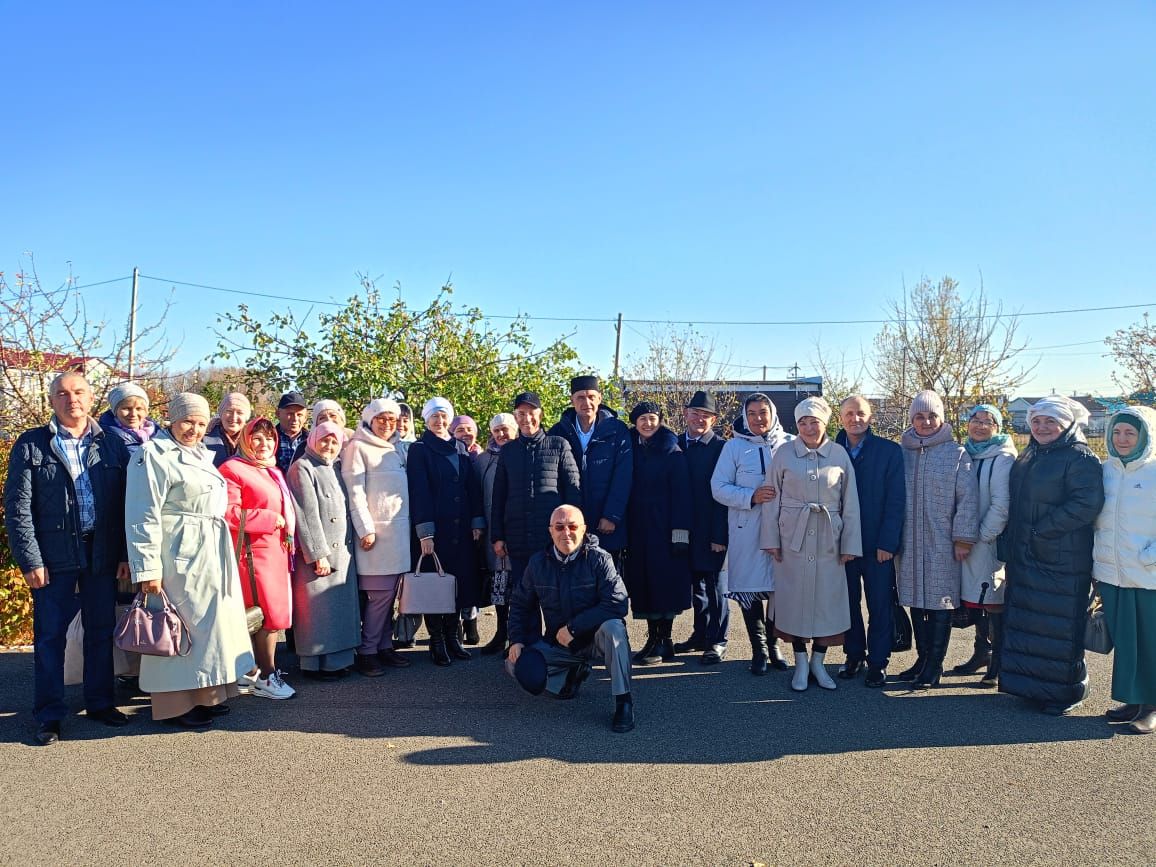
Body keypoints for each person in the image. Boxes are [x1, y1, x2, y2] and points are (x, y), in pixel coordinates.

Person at [4, 372, 131, 745]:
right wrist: (30, 560)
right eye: (62, 393)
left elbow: (126, 505)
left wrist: (124, 553)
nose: (71, 399)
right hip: (53, 556)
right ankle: (49, 715)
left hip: (102, 553)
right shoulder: (32, 445)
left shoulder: (110, 444)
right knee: (49, 637)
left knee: (100, 631)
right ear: (52, 400)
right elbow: (18, 509)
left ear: (91, 399)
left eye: (78, 392)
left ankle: (100, 702)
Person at [124, 393, 255, 728]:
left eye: (199, 423)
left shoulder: (200, 455)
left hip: (209, 551)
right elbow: (142, 513)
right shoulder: (153, 454)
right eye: (187, 422)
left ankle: (206, 695)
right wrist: (148, 567)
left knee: (208, 629)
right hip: (177, 552)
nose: (193, 430)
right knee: (180, 626)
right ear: (171, 419)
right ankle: (175, 705)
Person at [1001, 396, 1104, 715]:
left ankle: (1063, 692)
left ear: (1067, 423)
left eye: (1050, 421)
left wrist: (1041, 530)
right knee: (1030, 624)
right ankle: (1030, 688)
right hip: (1026, 555)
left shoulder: (1080, 457)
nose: (1042, 427)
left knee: (1058, 627)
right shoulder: (1029, 454)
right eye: (1037, 421)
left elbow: (1086, 503)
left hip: (1062, 559)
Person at [761, 397, 862, 691]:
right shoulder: (783, 454)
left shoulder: (839, 454)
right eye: (803, 422)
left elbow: (850, 503)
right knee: (794, 601)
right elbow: (771, 498)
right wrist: (771, 539)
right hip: (792, 538)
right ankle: (800, 662)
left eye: (814, 421)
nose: (808, 427)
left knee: (826, 603)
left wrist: (849, 545)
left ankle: (819, 661)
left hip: (829, 540)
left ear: (825, 423)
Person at [507, 505, 635, 733]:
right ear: (550, 531)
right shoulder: (538, 564)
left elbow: (618, 603)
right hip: (561, 644)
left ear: (584, 529)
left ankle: (623, 702)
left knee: (615, 629)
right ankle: (571, 676)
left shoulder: (600, 559)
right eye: (559, 527)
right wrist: (516, 639)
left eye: (572, 526)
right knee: (515, 664)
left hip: (596, 640)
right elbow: (519, 603)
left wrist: (574, 628)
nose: (566, 532)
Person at [894, 390, 979, 689]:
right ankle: (921, 658)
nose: (926, 421)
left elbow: (968, 499)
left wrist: (963, 538)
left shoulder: (956, 453)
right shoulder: (902, 452)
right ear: (911, 419)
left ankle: (935, 665)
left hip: (942, 540)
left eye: (932, 416)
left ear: (941, 418)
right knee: (916, 600)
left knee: (941, 602)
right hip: (908, 540)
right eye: (919, 416)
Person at [711, 393, 793, 675]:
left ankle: (775, 647)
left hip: (785, 529)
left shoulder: (790, 443)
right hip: (748, 529)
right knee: (751, 592)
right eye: (753, 413)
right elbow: (718, 487)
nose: (759, 418)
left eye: (763, 412)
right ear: (746, 417)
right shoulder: (734, 447)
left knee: (778, 592)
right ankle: (758, 651)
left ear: (772, 414)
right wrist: (751, 496)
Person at [218, 418, 297, 699]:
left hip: (274, 551)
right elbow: (228, 513)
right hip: (252, 554)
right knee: (266, 616)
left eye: (269, 438)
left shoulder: (271, 470)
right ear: (245, 440)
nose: (264, 444)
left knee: (272, 616)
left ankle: (253, 672)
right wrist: (269, 519)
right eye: (258, 438)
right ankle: (266, 675)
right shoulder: (232, 469)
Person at [491, 391, 582, 626]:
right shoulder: (508, 451)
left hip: (552, 537)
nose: (526, 419)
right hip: (518, 536)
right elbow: (498, 496)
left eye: (531, 413)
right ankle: (526, 648)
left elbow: (573, 491)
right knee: (524, 596)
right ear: (515, 417)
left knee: (556, 596)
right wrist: (497, 536)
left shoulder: (559, 445)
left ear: (540, 415)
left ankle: (558, 647)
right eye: (521, 414)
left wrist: (575, 532)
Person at [407, 396, 486, 666]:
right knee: (434, 585)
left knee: (457, 584)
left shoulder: (461, 448)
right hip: (436, 529)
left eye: (444, 416)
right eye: (434, 417)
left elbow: (472, 488)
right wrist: (425, 533)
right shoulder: (419, 449)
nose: (439, 421)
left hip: (462, 528)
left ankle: (454, 638)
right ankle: (437, 641)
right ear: (426, 420)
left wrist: (477, 521)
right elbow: (420, 491)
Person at [834, 395, 905, 687]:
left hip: (878, 546)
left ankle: (878, 662)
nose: (855, 419)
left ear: (871, 417)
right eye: (849, 414)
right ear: (840, 418)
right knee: (847, 604)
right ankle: (853, 656)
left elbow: (896, 501)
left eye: (861, 413)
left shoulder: (889, 451)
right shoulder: (829, 451)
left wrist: (888, 543)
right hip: (842, 546)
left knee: (880, 605)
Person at [1093, 406, 1156, 734]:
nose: (1122, 439)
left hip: (1147, 575)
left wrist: (1150, 558)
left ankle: (1151, 707)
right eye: (1117, 432)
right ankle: (1132, 700)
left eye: (1130, 432)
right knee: (1126, 642)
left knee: (1150, 641)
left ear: (1146, 435)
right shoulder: (1105, 470)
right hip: (1111, 572)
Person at [342, 398, 413, 677]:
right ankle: (368, 651)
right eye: (381, 419)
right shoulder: (358, 448)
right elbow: (355, 492)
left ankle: (384, 645)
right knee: (379, 596)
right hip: (376, 537)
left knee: (389, 594)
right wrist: (365, 528)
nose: (387, 424)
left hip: (397, 534)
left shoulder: (396, 448)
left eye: (392, 420)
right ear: (370, 419)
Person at [287, 421, 361, 680]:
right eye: (324, 440)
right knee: (319, 614)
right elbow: (306, 515)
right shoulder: (302, 468)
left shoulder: (336, 467)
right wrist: (317, 553)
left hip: (342, 551)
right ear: (313, 439)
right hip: (320, 555)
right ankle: (316, 665)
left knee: (336, 612)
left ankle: (337, 662)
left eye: (334, 441)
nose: (329, 446)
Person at [624, 401, 692, 665]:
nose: (648, 423)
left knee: (665, 585)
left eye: (652, 418)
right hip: (640, 530)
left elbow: (682, 495)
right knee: (644, 585)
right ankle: (654, 639)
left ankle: (664, 640)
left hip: (665, 530)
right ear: (635, 422)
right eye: (642, 419)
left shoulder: (671, 450)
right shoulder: (631, 448)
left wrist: (680, 533)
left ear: (660, 420)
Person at [956, 405, 1017, 687]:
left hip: (987, 541)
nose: (980, 426)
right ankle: (981, 651)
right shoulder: (967, 453)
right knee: (975, 599)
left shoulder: (1002, 457)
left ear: (998, 427)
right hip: (967, 538)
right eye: (975, 420)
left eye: (988, 422)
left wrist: (980, 536)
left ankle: (998, 660)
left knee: (993, 600)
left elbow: (1001, 505)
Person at [548, 375, 633, 563]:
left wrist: (612, 515)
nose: (586, 402)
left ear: (599, 399)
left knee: (607, 578)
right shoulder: (557, 432)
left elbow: (623, 476)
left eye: (591, 397)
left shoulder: (618, 431)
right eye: (580, 397)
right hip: (570, 525)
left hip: (607, 521)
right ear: (572, 400)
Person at [673, 391, 730, 664]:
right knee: (697, 586)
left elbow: (724, 496)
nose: (699, 419)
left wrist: (720, 535)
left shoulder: (722, 448)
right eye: (695, 413)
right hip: (685, 528)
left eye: (705, 416)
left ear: (714, 420)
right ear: (686, 414)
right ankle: (700, 634)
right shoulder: (675, 444)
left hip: (712, 528)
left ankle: (718, 639)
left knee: (716, 586)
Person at [475, 412, 519, 655]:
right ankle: (501, 631)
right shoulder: (483, 460)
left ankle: (518, 635)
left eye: (505, 429)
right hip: (494, 532)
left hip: (517, 529)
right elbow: (477, 496)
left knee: (521, 588)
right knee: (500, 587)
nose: (502, 434)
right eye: (496, 430)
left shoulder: (521, 453)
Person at [98, 382, 158, 454]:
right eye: (127, 408)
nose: (133, 414)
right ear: (115, 411)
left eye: (139, 409)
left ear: (146, 411)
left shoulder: (159, 435)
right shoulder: (105, 438)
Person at [203, 392, 252, 467]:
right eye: (229, 411)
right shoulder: (203, 437)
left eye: (240, 413)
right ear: (221, 413)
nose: (234, 417)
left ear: (246, 417)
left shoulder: (252, 440)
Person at [274, 390, 309, 474]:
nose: (295, 419)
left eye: (299, 415)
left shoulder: (311, 441)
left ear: (305, 417)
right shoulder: (268, 439)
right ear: (278, 414)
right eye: (290, 413)